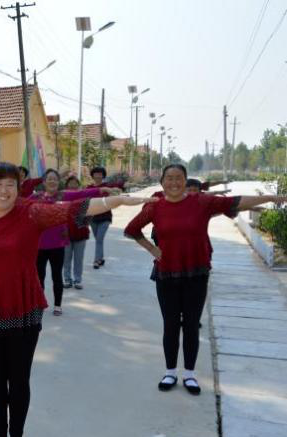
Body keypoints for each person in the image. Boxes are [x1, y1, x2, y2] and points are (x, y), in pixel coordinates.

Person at [0, 161, 154, 437]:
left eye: (10, 184)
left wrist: (115, 200)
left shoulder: (31, 212)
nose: (4, 191)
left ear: (18, 187)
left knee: (18, 378)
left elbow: (73, 209)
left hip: (23, 308)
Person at [124, 164, 286, 395]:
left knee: (191, 325)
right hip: (167, 274)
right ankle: (170, 372)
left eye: (179, 178)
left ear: (186, 180)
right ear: (162, 182)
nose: (174, 182)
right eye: (169, 178)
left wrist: (273, 197)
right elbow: (132, 229)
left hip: (196, 274)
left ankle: (189, 374)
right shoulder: (155, 207)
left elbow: (236, 202)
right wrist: (152, 249)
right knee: (170, 326)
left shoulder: (201, 202)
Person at [29, 169, 115, 314]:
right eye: (49, 179)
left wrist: (102, 189)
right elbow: (19, 206)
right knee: (39, 277)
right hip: (39, 245)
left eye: (54, 179)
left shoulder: (63, 195)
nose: (52, 181)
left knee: (57, 276)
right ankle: (39, 304)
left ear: (58, 182)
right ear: (44, 182)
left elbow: (82, 194)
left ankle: (57, 305)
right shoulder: (35, 197)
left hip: (58, 244)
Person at [86, 166, 124, 269]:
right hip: (93, 218)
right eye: (96, 174)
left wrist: (120, 179)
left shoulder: (107, 186)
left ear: (103, 176)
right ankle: (101, 258)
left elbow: (119, 186)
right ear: (93, 175)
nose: (98, 176)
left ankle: (96, 261)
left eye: (100, 174)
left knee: (99, 239)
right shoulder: (89, 188)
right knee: (98, 240)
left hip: (105, 217)